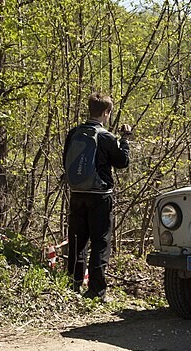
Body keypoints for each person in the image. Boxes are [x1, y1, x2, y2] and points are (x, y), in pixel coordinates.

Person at [63, 92, 131, 300]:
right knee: (100, 242)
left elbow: (65, 160)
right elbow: (122, 162)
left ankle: (72, 285)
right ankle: (96, 290)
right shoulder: (106, 137)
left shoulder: (74, 133)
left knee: (77, 241)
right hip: (100, 195)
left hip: (77, 193)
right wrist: (125, 140)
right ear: (106, 112)